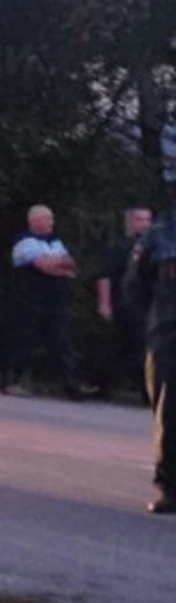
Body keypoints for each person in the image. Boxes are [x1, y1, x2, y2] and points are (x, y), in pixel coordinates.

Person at [3, 204, 98, 399]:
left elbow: (70, 265)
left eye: (52, 219)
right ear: (35, 221)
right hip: (29, 301)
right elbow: (44, 267)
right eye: (48, 219)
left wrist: (55, 264)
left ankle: (72, 387)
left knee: (62, 344)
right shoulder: (24, 243)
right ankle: (10, 382)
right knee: (23, 341)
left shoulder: (55, 242)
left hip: (54, 302)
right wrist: (56, 265)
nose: (52, 223)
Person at [130, 201, 176, 515]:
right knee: (170, 410)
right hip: (169, 331)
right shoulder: (159, 237)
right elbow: (135, 286)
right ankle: (171, 488)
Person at [96, 207, 156, 403]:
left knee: (137, 349)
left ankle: (142, 392)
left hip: (150, 306)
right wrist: (105, 304)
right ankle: (143, 393)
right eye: (140, 219)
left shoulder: (155, 247)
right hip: (127, 304)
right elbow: (105, 276)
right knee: (130, 349)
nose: (145, 224)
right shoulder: (121, 247)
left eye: (148, 220)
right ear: (130, 223)